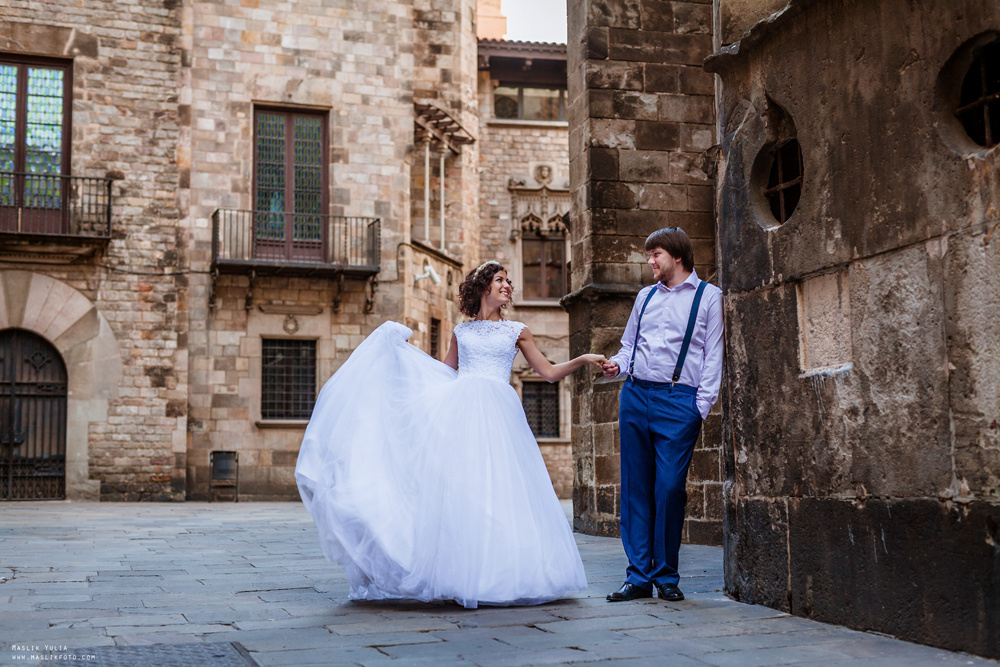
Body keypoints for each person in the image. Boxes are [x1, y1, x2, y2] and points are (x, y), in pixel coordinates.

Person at [295, 260, 604, 609]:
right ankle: (458, 572)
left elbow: (547, 372)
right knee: (461, 490)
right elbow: (441, 374)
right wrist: (399, 358)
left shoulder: (518, 330)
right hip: (462, 413)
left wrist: (581, 359)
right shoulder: (463, 332)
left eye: (508, 281)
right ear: (483, 287)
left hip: (500, 415)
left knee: (501, 488)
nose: (508, 286)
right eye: (500, 280)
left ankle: (502, 572)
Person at [600, 227, 724, 603]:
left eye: (655, 254)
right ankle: (638, 577)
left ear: (677, 256)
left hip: (678, 402)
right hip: (636, 395)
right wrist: (616, 367)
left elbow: (713, 356)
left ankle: (666, 573)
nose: (650, 262)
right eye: (649, 255)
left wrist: (698, 409)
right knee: (636, 489)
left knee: (669, 488)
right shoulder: (645, 296)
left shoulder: (709, 297)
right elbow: (628, 347)